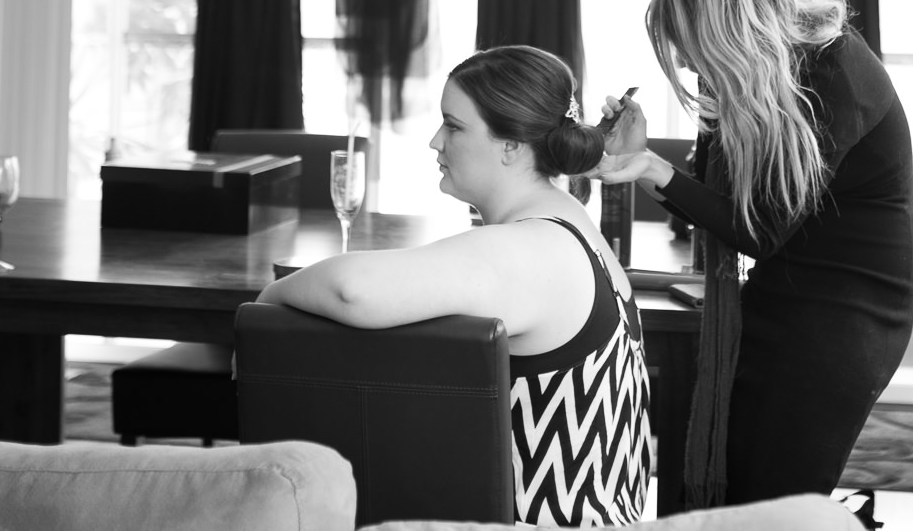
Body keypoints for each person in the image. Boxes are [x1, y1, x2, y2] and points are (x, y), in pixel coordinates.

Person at [259, 46, 651, 527]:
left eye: (454, 125)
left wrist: (270, 299)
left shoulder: (534, 247)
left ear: (510, 145)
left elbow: (352, 290)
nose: (435, 141)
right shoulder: (571, 226)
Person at [591, 0, 913, 508]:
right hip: (786, 287)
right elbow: (724, 201)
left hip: (849, 312)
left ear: (728, 31)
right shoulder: (762, 77)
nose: (689, 65)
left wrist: (649, 168)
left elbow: (757, 229)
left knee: (775, 499)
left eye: (692, 49)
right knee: (738, 481)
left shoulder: (835, 72)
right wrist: (649, 159)